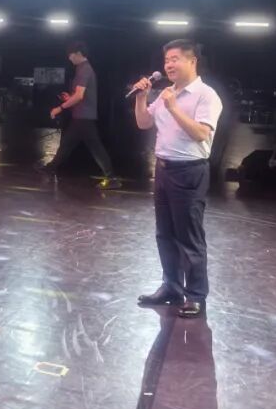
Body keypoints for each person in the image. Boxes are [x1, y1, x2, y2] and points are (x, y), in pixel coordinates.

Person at [134, 39, 223, 318]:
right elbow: (143, 123)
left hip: (189, 172)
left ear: (192, 61)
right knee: (165, 234)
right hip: (163, 169)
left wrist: (174, 108)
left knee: (189, 237)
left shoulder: (206, 96)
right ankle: (171, 287)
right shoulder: (166, 93)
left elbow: (201, 134)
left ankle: (195, 295)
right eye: (166, 60)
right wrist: (141, 97)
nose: (169, 65)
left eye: (175, 59)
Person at [42, 41, 121, 189]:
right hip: (82, 116)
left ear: (78, 54)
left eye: (71, 55)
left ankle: (112, 178)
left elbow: (79, 96)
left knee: (94, 147)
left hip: (84, 116)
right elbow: (79, 95)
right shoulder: (82, 69)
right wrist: (69, 98)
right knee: (68, 144)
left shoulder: (84, 70)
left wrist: (60, 108)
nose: (69, 58)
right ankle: (51, 167)